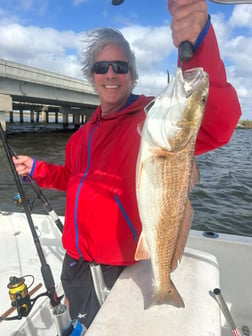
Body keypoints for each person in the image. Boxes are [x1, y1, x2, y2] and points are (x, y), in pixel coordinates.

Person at [13, 0, 241, 329]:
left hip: (119, 269)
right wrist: (36, 169)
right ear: (90, 76)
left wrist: (199, 40)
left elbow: (216, 124)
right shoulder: (80, 136)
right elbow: (74, 179)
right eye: (101, 67)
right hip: (75, 266)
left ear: (132, 76)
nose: (110, 74)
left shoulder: (150, 118)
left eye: (120, 67)